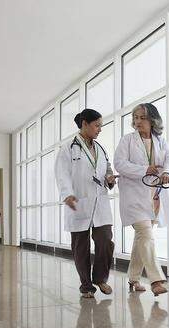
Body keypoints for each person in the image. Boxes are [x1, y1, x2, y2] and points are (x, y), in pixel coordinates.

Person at [54, 108, 116, 298]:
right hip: (78, 201)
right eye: (97, 125)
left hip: (100, 202)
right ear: (85, 124)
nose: (99, 129)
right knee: (81, 247)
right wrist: (68, 194)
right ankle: (86, 286)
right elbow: (61, 173)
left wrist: (109, 178)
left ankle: (100, 278)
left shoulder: (100, 148)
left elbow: (106, 167)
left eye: (100, 126)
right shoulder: (68, 147)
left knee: (105, 240)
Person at [114, 103, 169, 296]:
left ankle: (133, 279)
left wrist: (166, 173)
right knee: (146, 234)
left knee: (142, 238)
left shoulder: (161, 142)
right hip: (134, 196)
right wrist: (144, 169)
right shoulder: (127, 140)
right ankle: (156, 280)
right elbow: (120, 164)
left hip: (154, 196)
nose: (137, 121)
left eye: (142, 118)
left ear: (152, 120)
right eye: (135, 118)